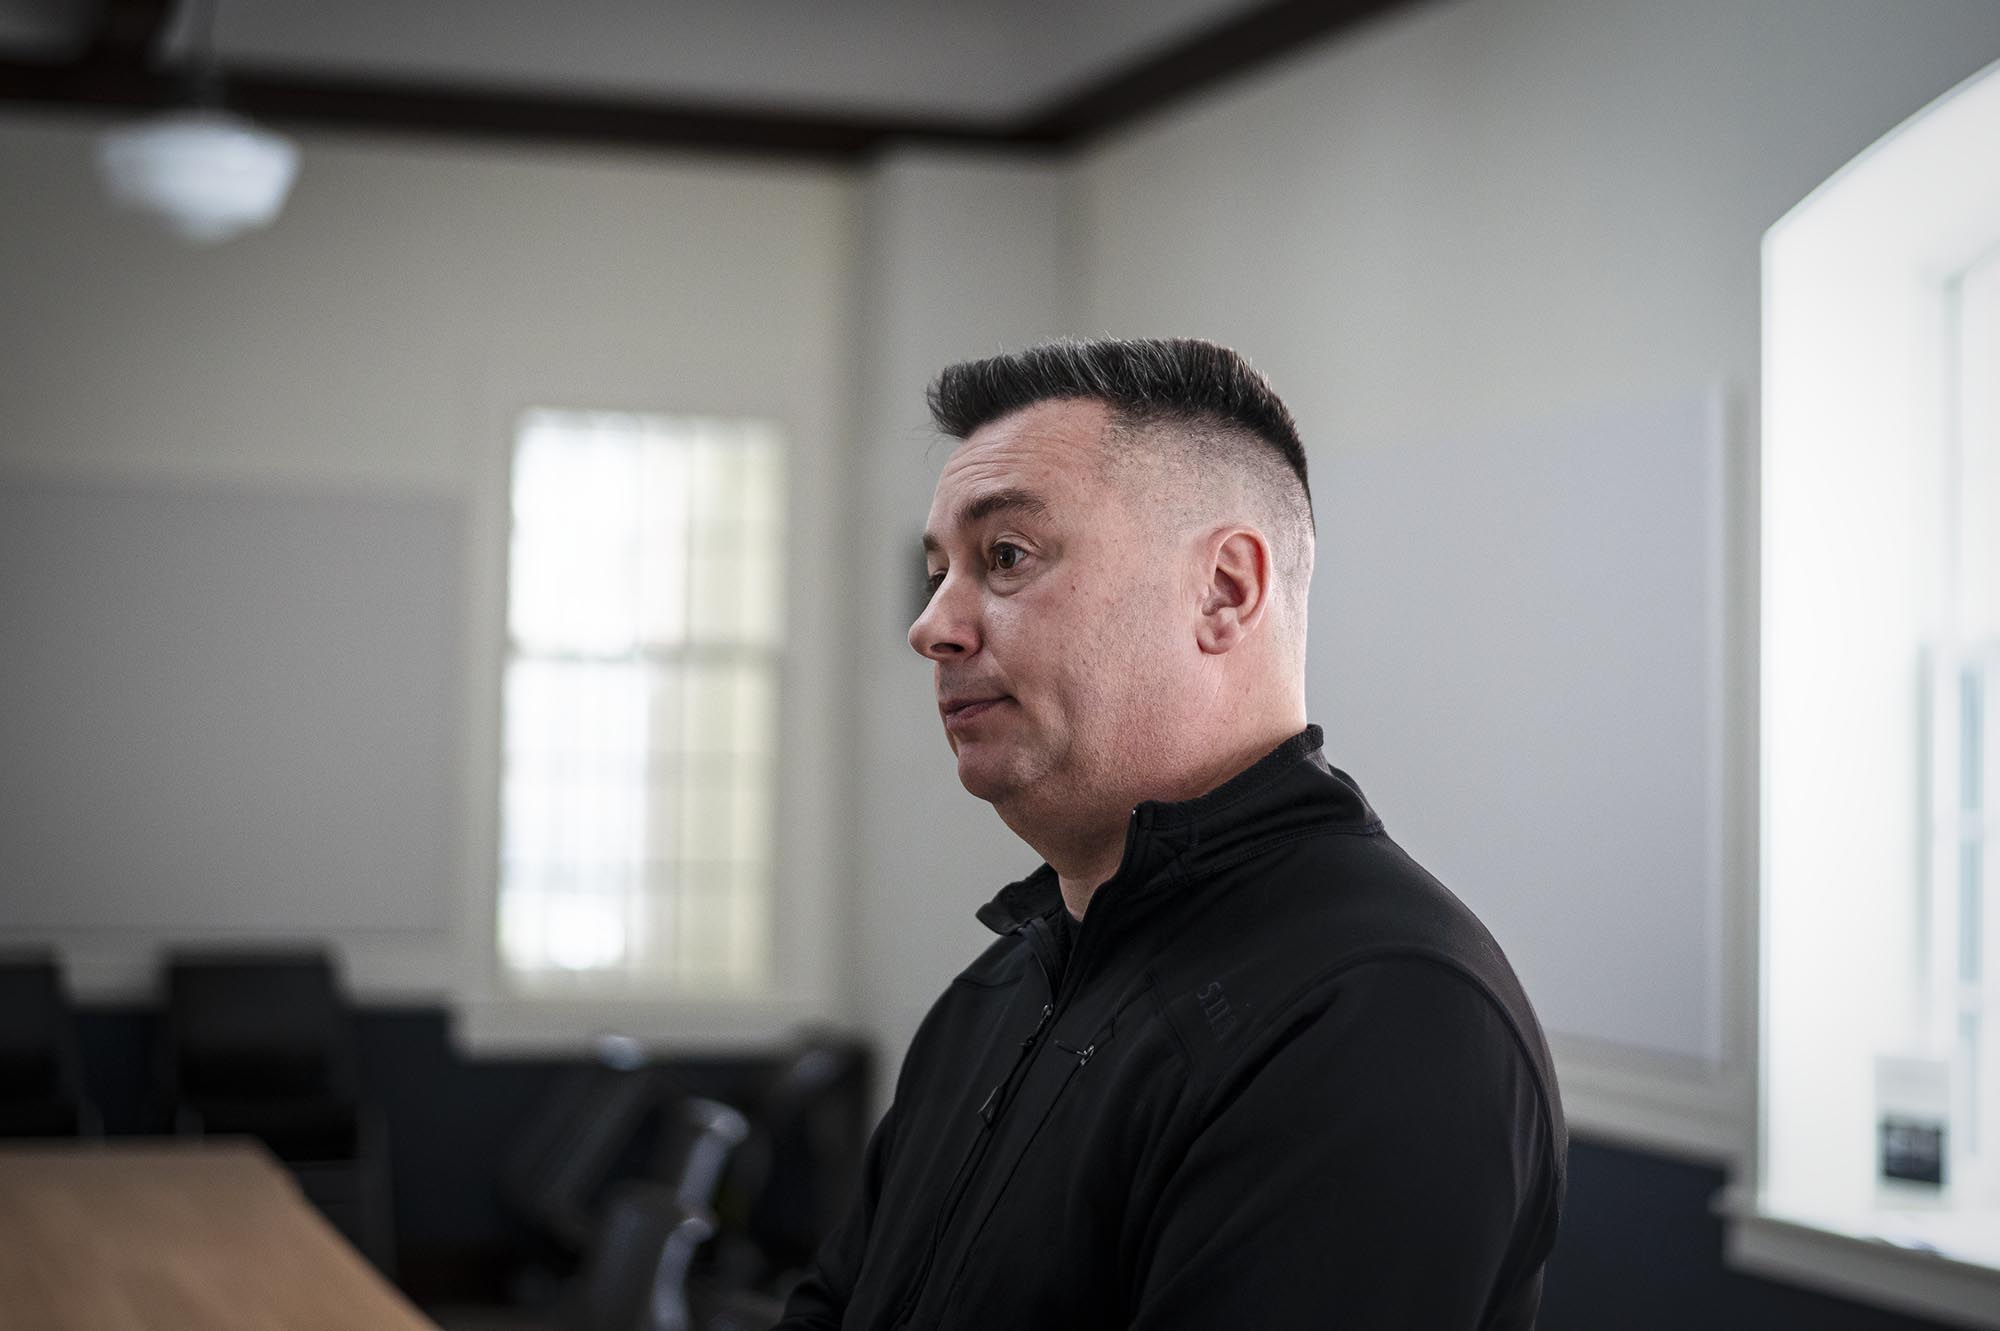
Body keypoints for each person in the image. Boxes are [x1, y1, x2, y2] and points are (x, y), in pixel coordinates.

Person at [776, 338, 1565, 1330]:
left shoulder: (1379, 1009)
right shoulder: (997, 990)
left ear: (1224, 589)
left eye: (1004, 557)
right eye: (939, 572)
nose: (931, 624)